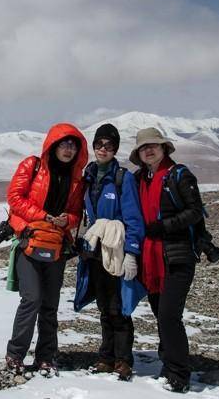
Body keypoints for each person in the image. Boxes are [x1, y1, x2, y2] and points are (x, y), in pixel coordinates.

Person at [4, 122, 88, 376]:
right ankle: (15, 354)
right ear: (53, 145)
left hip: (56, 246)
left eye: (73, 145)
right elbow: (15, 197)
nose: (68, 149)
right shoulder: (33, 165)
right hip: (29, 242)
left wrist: (67, 221)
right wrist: (44, 216)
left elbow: (76, 213)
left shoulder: (76, 180)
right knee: (32, 299)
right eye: (64, 143)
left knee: (50, 304)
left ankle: (46, 356)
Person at [129, 127, 205, 393]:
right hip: (151, 257)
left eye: (153, 145)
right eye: (143, 147)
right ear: (139, 154)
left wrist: (164, 226)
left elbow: (196, 211)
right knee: (160, 313)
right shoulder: (141, 178)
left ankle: (179, 373)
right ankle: (169, 362)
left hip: (177, 255)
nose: (149, 150)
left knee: (168, 316)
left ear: (164, 148)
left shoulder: (179, 176)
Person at [72, 123, 147, 381]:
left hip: (115, 249)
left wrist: (132, 253)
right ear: (94, 147)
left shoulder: (122, 177)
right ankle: (106, 357)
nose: (103, 149)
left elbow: (134, 217)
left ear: (115, 149)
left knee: (119, 307)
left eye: (109, 145)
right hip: (95, 251)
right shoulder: (89, 175)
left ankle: (123, 360)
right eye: (99, 144)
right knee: (104, 305)